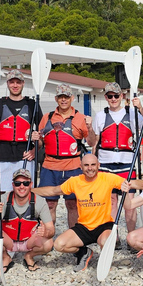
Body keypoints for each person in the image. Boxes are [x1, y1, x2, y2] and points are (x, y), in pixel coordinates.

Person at [0, 69, 40, 257]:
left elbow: (41, 133)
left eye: (18, 82)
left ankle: (24, 234)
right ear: (7, 84)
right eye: (12, 82)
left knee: (25, 196)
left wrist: (35, 150)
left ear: (23, 84)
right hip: (2, 155)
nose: (15, 85)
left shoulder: (32, 105)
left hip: (24, 157)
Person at [33, 153, 131, 271]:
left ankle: (104, 262)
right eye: (86, 165)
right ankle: (84, 252)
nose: (90, 168)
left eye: (93, 165)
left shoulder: (108, 178)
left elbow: (133, 184)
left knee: (105, 242)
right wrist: (30, 190)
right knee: (59, 244)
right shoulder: (75, 181)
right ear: (81, 167)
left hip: (104, 225)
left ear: (98, 165)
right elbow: (53, 191)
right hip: (84, 226)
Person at [86, 82, 143, 234]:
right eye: (110, 96)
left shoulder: (131, 113)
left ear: (122, 96)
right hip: (106, 163)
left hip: (126, 163)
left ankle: (131, 237)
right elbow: (93, 142)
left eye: (116, 96)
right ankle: (114, 237)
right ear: (106, 97)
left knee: (129, 203)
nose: (113, 99)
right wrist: (89, 129)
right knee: (111, 202)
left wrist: (141, 108)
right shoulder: (100, 115)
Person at [37, 84, 90, 229]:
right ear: (56, 99)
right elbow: (40, 143)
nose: (63, 100)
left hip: (73, 168)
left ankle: (73, 237)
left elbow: (91, 141)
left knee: (72, 204)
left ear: (72, 98)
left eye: (66, 97)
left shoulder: (80, 118)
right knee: (49, 204)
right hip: (50, 166)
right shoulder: (47, 117)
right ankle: (48, 236)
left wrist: (90, 128)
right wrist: (36, 139)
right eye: (60, 97)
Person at [0, 168, 55, 272]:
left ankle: (29, 256)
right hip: (8, 240)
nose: (22, 186)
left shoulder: (40, 202)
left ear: (31, 184)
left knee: (48, 243)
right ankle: (6, 257)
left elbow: (51, 229)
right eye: (18, 183)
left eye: (26, 183)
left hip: (29, 240)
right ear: (13, 185)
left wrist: (46, 232)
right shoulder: (3, 200)